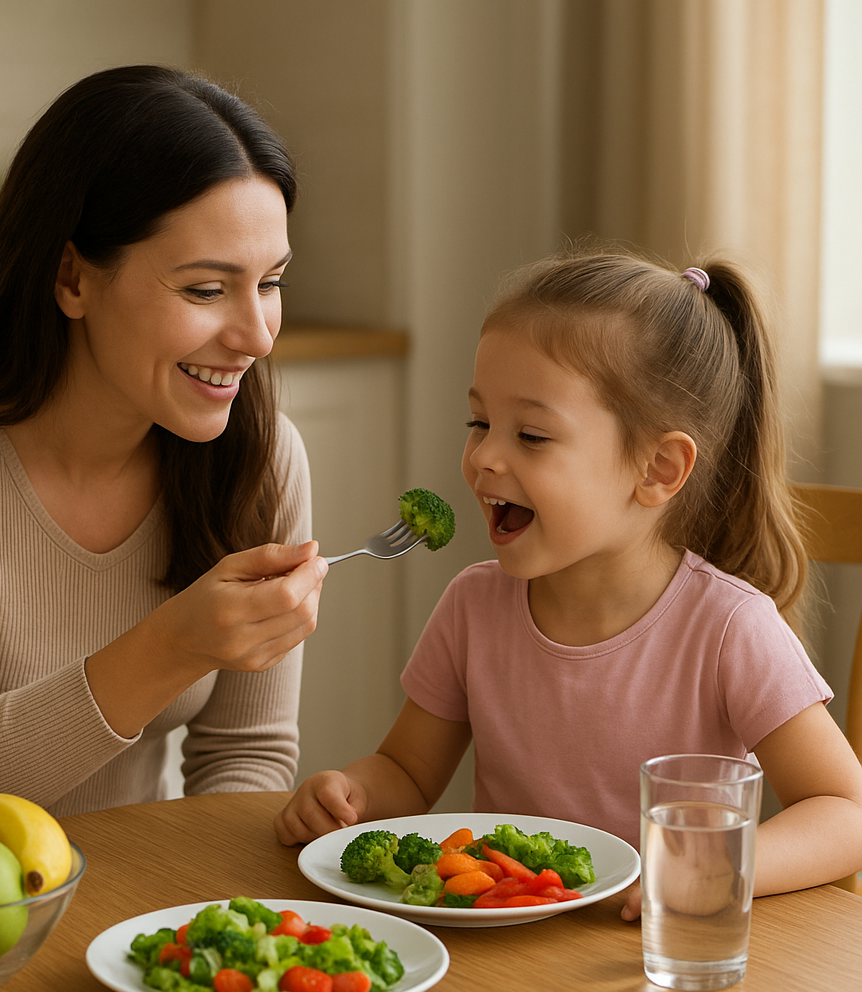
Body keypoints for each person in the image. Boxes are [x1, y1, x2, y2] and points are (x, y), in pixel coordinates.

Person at [274, 245, 862, 916]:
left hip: (655, 965)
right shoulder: (474, 605)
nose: (484, 457)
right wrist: (350, 792)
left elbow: (844, 810)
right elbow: (407, 773)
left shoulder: (730, 628)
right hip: (506, 961)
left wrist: (714, 867)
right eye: (479, 422)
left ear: (659, 470)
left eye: (531, 435)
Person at [0, 65, 328, 815]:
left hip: (140, 914)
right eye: (205, 288)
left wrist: (204, 920)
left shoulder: (259, 455)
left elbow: (245, 751)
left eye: (270, 283)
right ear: (72, 277)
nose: (257, 336)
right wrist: (172, 647)